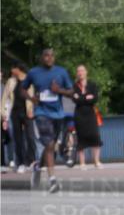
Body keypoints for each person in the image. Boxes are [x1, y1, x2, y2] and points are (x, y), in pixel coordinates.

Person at [20, 48, 73, 193]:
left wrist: (59, 91)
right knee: (49, 145)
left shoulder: (61, 72)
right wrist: (31, 98)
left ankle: (38, 167)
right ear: (42, 58)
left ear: (54, 58)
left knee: (51, 147)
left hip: (58, 114)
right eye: (46, 56)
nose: (49, 58)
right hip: (41, 113)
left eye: (51, 56)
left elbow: (72, 92)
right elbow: (22, 89)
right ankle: (53, 181)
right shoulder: (33, 73)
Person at [72, 65, 103, 169]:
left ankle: (97, 161)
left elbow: (95, 98)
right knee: (81, 138)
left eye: (82, 70)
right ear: (77, 73)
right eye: (78, 71)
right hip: (79, 114)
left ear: (86, 72)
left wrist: (82, 98)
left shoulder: (92, 84)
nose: (80, 73)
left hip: (91, 113)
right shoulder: (74, 86)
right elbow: (75, 100)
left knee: (95, 136)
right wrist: (86, 97)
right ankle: (82, 163)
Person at [6, 63, 35, 173]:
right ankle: (21, 163)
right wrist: (4, 115)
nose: (11, 70)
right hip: (15, 112)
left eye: (13, 68)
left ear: (17, 69)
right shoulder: (11, 81)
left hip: (27, 111)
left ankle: (31, 161)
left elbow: (32, 96)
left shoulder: (29, 80)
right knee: (18, 138)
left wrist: (31, 109)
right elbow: (5, 98)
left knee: (30, 137)